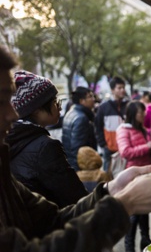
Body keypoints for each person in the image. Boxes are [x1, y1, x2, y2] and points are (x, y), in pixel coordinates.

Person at [0, 46, 151, 252]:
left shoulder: (4, 167)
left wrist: (110, 191)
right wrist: (124, 205)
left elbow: (52, 220)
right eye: (1, 101)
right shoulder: (42, 146)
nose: (13, 113)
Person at [5, 70, 89, 208]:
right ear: (36, 109)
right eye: (55, 101)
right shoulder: (46, 147)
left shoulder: (8, 140)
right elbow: (76, 198)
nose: (59, 107)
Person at [116, 101, 151, 252]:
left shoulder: (143, 130)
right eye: (141, 112)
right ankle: (129, 249)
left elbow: (146, 151)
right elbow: (125, 152)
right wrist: (147, 147)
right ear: (133, 113)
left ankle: (145, 239)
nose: (144, 115)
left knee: (144, 209)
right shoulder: (123, 130)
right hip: (131, 176)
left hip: (145, 175)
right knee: (133, 213)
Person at [95, 76, 128, 171]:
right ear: (112, 90)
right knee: (108, 176)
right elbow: (98, 127)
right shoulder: (103, 108)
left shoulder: (128, 106)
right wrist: (103, 144)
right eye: (119, 88)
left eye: (123, 88)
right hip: (109, 149)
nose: (122, 90)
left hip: (125, 149)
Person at [62, 87, 97, 171]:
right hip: (82, 167)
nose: (93, 99)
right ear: (82, 101)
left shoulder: (70, 113)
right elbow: (78, 149)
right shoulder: (81, 118)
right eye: (90, 96)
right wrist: (80, 170)